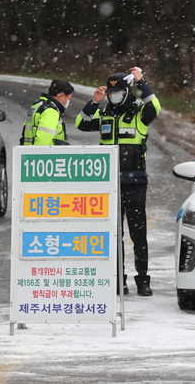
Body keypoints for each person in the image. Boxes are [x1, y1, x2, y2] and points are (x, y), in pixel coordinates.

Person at [75, 67, 160, 296]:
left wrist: (142, 82)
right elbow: (81, 124)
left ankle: (143, 281)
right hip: (110, 184)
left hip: (135, 182)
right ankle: (118, 281)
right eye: (111, 92)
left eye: (118, 92)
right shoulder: (104, 114)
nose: (114, 95)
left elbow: (155, 106)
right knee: (114, 234)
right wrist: (94, 102)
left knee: (138, 234)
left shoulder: (140, 113)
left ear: (127, 91)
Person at [20, 79, 74, 145]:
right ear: (62, 95)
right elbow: (43, 141)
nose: (68, 101)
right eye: (69, 98)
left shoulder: (37, 106)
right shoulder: (50, 111)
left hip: (27, 151)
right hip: (40, 154)